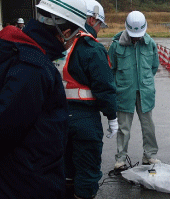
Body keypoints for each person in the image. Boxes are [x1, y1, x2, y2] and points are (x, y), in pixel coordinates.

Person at [0, 0, 88, 198]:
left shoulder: (22, 50)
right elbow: (6, 126)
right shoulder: (34, 68)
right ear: (66, 32)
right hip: (26, 182)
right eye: (76, 35)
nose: (75, 40)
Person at [53, 0, 118, 198]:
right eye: (99, 24)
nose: (98, 29)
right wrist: (112, 117)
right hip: (84, 118)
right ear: (91, 19)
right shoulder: (92, 48)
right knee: (87, 169)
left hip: (57, 116)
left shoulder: (57, 42)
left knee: (64, 167)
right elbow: (105, 88)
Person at [108, 11, 160, 170]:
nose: (136, 38)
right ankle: (121, 159)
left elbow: (154, 66)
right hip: (125, 92)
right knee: (124, 128)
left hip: (145, 91)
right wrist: (120, 84)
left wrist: (145, 81)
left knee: (148, 126)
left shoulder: (150, 43)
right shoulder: (116, 45)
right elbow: (111, 68)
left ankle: (149, 155)